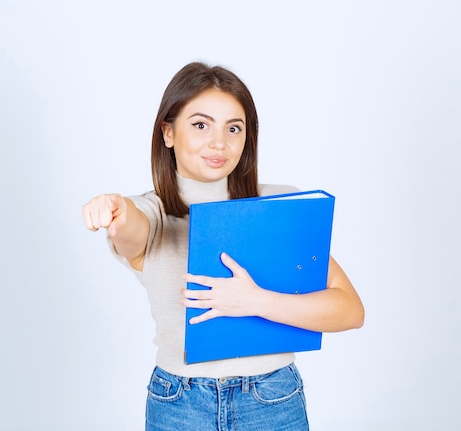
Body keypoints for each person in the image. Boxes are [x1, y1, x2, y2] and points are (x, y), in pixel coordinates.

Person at [82, 62, 365, 431]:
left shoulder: (280, 207)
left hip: (271, 398)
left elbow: (349, 310)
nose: (219, 143)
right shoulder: (150, 212)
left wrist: (255, 301)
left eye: (234, 128)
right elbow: (133, 228)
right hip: (179, 404)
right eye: (201, 125)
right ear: (167, 132)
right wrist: (115, 208)